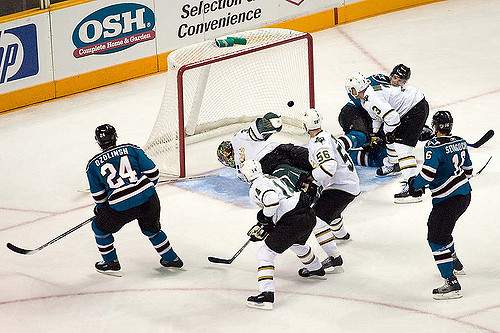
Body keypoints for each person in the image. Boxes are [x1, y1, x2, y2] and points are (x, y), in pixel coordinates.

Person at [86, 124, 183, 276]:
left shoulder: (92, 165)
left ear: (97, 141)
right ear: (115, 136)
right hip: (148, 199)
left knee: (99, 228)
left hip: (120, 206)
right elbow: (153, 173)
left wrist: (101, 210)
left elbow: (99, 197)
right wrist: (142, 192)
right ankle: (171, 258)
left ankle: (111, 262)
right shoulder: (131, 149)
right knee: (152, 229)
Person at [241, 159, 325, 310]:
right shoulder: (270, 177)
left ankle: (266, 295)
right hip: (307, 213)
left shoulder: (256, 186)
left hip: (292, 219)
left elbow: (272, 202)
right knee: (296, 244)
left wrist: (266, 220)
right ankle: (315, 267)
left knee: (264, 254)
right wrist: (267, 223)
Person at [408, 111, 472, 300]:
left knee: (436, 238)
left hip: (447, 200)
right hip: (465, 196)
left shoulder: (433, 147)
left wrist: (414, 185)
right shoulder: (460, 141)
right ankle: (454, 262)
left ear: (435, 126)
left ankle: (451, 282)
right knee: (444, 231)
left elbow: (427, 175)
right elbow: (468, 170)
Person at [345, 71, 429, 203]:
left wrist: (387, 131)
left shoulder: (372, 97)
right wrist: (376, 131)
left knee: (402, 148)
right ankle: (394, 165)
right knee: (390, 139)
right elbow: (377, 115)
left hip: (414, 107)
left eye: (352, 89)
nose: (351, 92)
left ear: (358, 88)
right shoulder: (366, 98)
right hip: (411, 105)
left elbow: (392, 117)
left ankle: (414, 190)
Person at [299, 108, 361, 270]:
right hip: (346, 183)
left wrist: (311, 177)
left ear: (306, 125)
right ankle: (342, 234)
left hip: (342, 187)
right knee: (330, 210)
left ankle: (334, 257)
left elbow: (329, 167)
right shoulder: (325, 135)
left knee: (317, 221)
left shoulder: (319, 143)